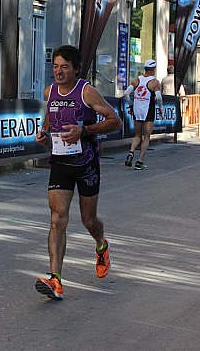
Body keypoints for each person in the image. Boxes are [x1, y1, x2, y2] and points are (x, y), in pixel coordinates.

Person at [34, 45, 122, 300]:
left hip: (86, 164)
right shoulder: (50, 91)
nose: (58, 72)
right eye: (55, 66)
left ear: (75, 69)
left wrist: (83, 131)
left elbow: (115, 121)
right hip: (61, 161)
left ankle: (101, 244)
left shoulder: (86, 91)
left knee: (88, 220)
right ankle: (56, 281)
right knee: (57, 219)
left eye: (64, 67)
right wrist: (44, 134)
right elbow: (50, 119)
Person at [123, 59, 164, 170]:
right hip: (148, 111)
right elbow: (159, 97)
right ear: (153, 70)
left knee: (137, 135)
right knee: (146, 137)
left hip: (137, 110)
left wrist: (131, 105)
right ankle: (139, 161)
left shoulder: (137, 79)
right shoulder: (155, 82)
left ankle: (131, 152)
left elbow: (126, 94)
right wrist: (160, 107)